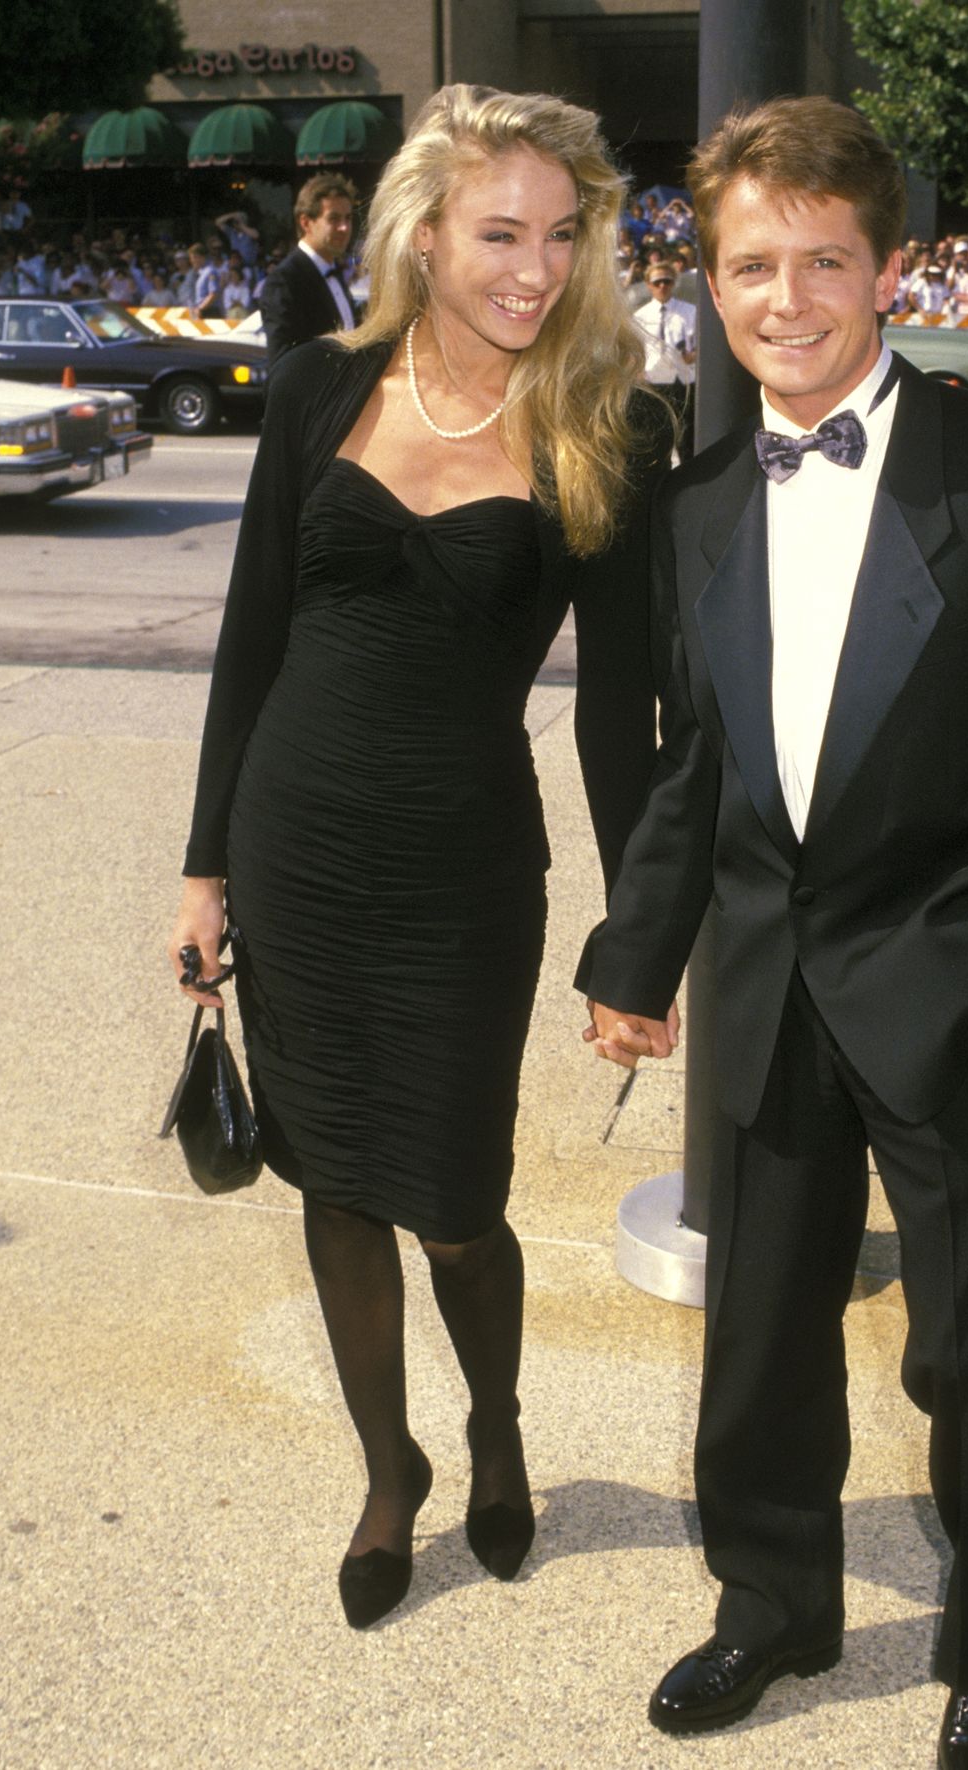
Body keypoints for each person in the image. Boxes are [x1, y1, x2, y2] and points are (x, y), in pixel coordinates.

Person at [577, 94, 968, 1766]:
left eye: (825, 261)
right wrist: (635, 955)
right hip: (765, 993)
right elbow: (699, 771)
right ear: (715, 277)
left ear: (891, 269)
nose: (787, 299)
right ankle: (772, 1606)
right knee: (755, 1349)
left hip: (959, 991)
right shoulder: (694, 511)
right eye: (754, 263)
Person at [168, 83, 670, 1634]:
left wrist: (636, 937)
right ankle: (391, 1472)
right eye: (499, 230)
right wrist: (205, 869)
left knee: (456, 1195)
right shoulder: (320, 385)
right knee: (331, 1184)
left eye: (560, 234)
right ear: (426, 231)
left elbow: (621, 710)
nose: (532, 265)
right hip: (295, 850)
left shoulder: (612, 424)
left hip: (459, 876)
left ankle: (498, 1426)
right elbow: (254, 635)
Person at [258, 173, 360, 368]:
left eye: (348, 218)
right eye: (334, 218)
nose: (344, 227)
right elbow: (283, 367)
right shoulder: (284, 281)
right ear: (305, 222)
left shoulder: (333, 273)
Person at [634, 260, 697, 459]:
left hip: (683, 380)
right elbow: (635, 351)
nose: (662, 286)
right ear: (648, 285)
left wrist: (693, 355)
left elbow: (697, 344)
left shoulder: (689, 311)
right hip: (654, 382)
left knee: (686, 438)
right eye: (657, 282)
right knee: (657, 439)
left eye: (667, 281)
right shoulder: (640, 317)